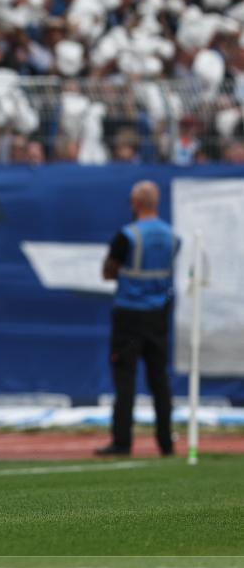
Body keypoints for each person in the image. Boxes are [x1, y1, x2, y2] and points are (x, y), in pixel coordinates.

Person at [96, 181, 179, 457]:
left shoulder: (127, 236)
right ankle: (166, 443)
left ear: (136, 203)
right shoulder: (171, 236)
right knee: (160, 380)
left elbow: (108, 272)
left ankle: (122, 441)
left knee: (125, 379)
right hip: (158, 314)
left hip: (129, 314)